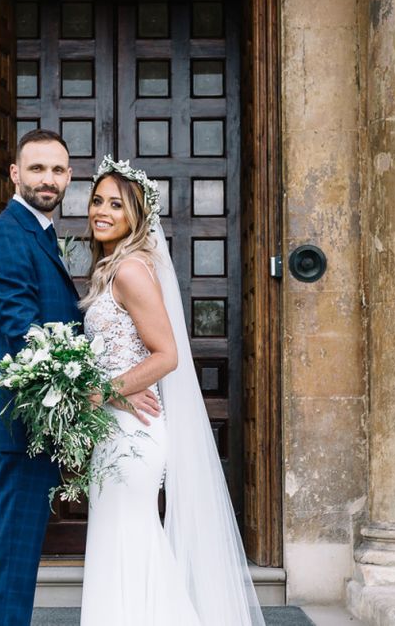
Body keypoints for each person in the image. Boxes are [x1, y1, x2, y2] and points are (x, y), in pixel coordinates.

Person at [79, 157, 266, 626]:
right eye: (97, 200)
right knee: (121, 539)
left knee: (129, 539)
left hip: (132, 431)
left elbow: (166, 355)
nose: (102, 210)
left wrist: (101, 392)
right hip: (119, 423)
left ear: (136, 216)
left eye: (115, 205)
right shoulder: (116, 266)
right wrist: (111, 393)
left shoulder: (129, 272)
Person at [0, 129, 80, 626]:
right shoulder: (4, 236)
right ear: (15, 173)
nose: (48, 179)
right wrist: (84, 389)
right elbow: (24, 331)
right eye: (37, 168)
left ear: (69, 176)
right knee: (13, 557)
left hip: (39, 419)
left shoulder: (41, 233)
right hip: (22, 418)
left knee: (19, 552)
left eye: (57, 170)